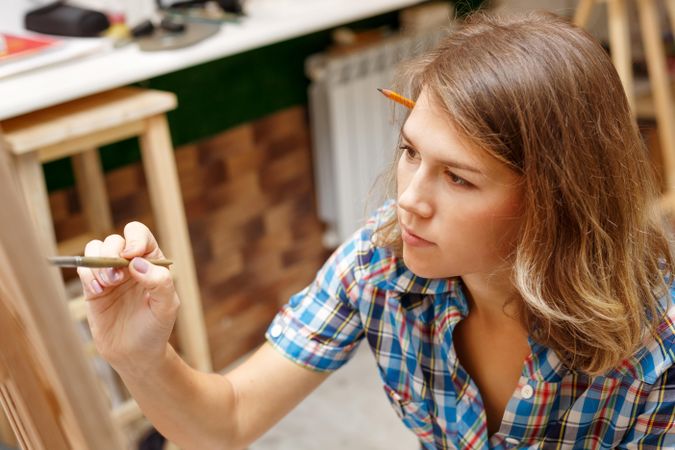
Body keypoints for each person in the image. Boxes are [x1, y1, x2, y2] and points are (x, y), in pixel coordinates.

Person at [77, 11, 675, 450]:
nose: (408, 199)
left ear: (555, 198)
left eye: (459, 179)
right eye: (410, 152)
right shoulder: (380, 260)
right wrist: (141, 356)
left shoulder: (654, 341)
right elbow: (226, 422)